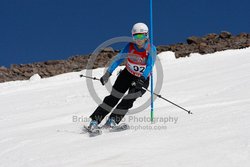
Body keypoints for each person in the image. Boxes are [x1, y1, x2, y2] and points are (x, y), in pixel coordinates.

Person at [88, 22, 157, 130]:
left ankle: (113, 120)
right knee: (114, 97)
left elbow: (149, 66)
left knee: (129, 99)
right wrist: (108, 73)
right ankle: (95, 121)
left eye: (141, 36)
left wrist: (142, 78)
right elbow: (119, 59)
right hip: (127, 74)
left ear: (146, 35)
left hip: (142, 78)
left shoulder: (151, 49)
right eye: (136, 36)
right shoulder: (129, 46)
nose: (139, 39)